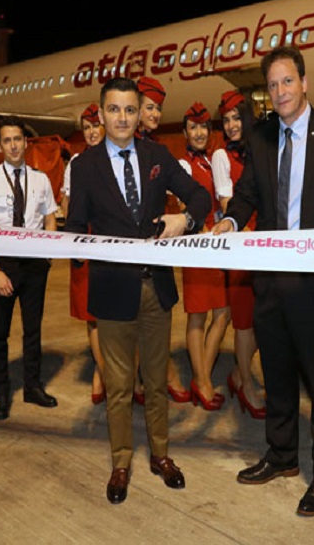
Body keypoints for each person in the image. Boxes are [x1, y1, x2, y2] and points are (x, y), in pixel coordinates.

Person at [212, 46, 314, 517]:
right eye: (273, 84)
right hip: (270, 279)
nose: (280, 91)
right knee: (278, 374)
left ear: (304, 84)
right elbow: (247, 193)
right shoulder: (262, 136)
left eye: (288, 81)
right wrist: (230, 220)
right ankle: (282, 455)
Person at [64, 77, 210, 505]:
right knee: (119, 386)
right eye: (114, 110)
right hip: (112, 292)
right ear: (101, 113)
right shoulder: (84, 166)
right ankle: (121, 462)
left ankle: (160, 455)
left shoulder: (157, 156)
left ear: (139, 113)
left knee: (157, 381)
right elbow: (76, 227)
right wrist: (59, 244)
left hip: (156, 288)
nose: (123, 118)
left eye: (130, 109)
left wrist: (185, 219)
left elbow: (199, 196)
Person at [0, 116, 59, 420]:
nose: (13, 146)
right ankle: (1, 392)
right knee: (0, 333)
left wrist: (47, 253)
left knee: (33, 330)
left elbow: (50, 217)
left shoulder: (41, 179)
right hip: (4, 264)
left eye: (17, 139)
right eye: (7, 140)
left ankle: (33, 386)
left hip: (35, 264)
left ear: (26, 143)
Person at [134, 75, 191, 403]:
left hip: (155, 255)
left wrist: (185, 217)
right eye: (150, 107)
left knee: (157, 322)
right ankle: (138, 379)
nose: (155, 114)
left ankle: (160, 374)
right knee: (129, 327)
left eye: (159, 108)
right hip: (125, 257)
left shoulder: (159, 152)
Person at [211, 90, 265, 419]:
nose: (232, 125)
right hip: (243, 244)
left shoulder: (259, 149)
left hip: (267, 244)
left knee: (264, 319)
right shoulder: (221, 156)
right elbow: (228, 205)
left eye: (236, 118)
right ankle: (246, 385)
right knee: (244, 321)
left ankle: (236, 374)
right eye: (226, 120)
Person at [178, 102, 230, 410]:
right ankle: (203, 382)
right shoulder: (183, 165)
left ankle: (202, 378)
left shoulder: (215, 160)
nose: (199, 133)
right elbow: (184, 208)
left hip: (218, 245)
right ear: (185, 132)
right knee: (197, 316)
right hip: (197, 245)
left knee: (223, 313)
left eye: (203, 127)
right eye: (193, 127)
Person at [61, 104, 107, 404]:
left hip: (111, 240)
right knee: (93, 315)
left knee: (113, 312)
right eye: (86, 128)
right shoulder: (76, 163)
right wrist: (75, 239)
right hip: (86, 240)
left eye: (95, 126)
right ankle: (104, 373)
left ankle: (106, 373)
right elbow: (66, 204)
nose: (91, 133)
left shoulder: (115, 157)